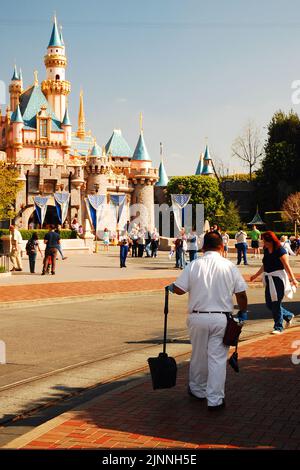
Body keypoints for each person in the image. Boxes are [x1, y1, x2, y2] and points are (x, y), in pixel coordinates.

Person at [167, 232, 248, 410]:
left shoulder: (194, 265)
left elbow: (180, 289)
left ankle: (197, 390)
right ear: (221, 247)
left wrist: (171, 288)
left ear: (203, 247)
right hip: (221, 317)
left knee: (198, 355)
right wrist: (243, 311)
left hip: (197, 316)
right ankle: (215, 400)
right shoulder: (229, 266)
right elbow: (241, 293)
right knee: (217, 359)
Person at [250, 231, 298, 334]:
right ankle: (288, 315)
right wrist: (255, 275)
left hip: (278, 279)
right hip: (268, 278)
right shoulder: (266, 250)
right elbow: (265, 265)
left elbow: (286, 265)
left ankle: (278, 327)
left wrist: (293, 279)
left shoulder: (280, 250)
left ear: (271, 240)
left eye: (265, 240)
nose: (263, 243)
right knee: (269, 304)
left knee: (276, 303)